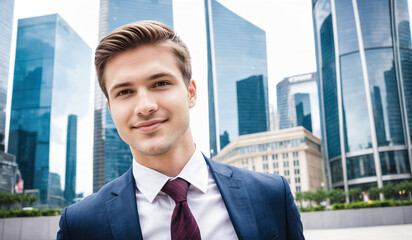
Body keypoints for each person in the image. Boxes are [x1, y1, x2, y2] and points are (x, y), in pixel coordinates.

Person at [57, 20, 305, 240]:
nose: (145, 107)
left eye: (160, 83)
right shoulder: (80, 224)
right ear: (111, 109)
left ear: (191, 93)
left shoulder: (272, 195)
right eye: (125, 92)